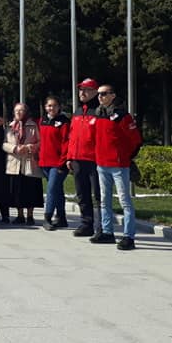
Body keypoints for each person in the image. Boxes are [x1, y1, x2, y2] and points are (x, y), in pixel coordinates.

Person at [91, 85, 143, 250]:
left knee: (125, 201)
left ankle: (129, 236)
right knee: (104, 200)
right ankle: (107, 232)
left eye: (104, 94)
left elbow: (135, 139)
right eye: (99, 94)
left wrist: (126, 157)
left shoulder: (123, 116)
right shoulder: (98, 114)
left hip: (119, 164)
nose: (100, 96)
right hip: (101, 164)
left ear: (113, 95)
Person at [67, 78, 102, 237]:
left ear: (95, 92)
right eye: (80, 90)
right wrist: (69, 157)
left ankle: (102, 225)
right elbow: (72, 135)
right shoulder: (78, 112)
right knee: (82, 193)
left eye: (86, 90)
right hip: (77, 159)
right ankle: (86, 224)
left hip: (95, 160)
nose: (82, 93)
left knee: (98, 194)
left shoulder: (100, 111)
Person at [2, 102, 44, 225]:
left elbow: (40, 142)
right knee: (17, 190)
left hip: (29, 161)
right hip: (15, 162)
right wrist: (14, 148)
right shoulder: (10, 126)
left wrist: (30, 147)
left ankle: (30, 216)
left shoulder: (33, 125)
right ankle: (19, 215)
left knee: (30, 189)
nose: (19, 113)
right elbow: (4, 143)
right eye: (17, 111)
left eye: (22, 110)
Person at [38, 96, 71, 231]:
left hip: (58, 163)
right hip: (44, 162)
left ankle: (47, 217)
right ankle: (62, 217)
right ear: (45, 107)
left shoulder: (64, 122)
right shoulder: (43, 120)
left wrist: (62, 162)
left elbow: (66, 143)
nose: (51, 108)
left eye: (54, 105)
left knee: (51, 189)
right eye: (49, 106)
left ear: (59, 107)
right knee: (57, 190)